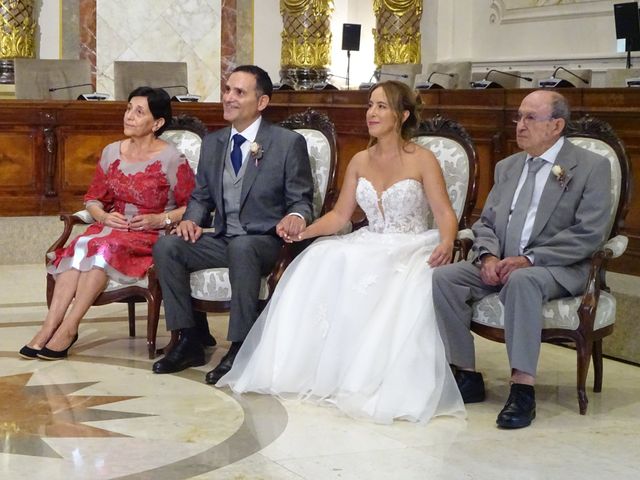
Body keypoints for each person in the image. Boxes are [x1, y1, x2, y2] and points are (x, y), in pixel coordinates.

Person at [216, 80, 466, 424]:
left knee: (378, 273)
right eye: (370, 106)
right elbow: (339, 216)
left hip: (410, 244)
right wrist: (304, 231)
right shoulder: (361, 160)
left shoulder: (422, 159)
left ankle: (374, 374)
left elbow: (444, 213)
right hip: (372, 238)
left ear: (403, 114)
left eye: (381, 106)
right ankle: (317, 368)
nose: (372, 113)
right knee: (322, 256)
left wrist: (447, 242)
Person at [432, 90, 612, 429]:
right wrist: (487, 255)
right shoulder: (508, 167)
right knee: (444, 278)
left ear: (557, 125)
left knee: (522, 279)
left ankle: (522, 388)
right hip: (502, 261)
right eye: (519, 117)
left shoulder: (590, 167)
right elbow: (485, 222)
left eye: (531, 117)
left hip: (558, 268)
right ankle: (466, 374)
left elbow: (589, 233)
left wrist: (529, 260)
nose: (520, 125)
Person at [151, 65, 315, 381]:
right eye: (227, 90)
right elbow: (200, 197)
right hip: (225, 238)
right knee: (168, 245)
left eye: (239, 92)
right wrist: (192, 221)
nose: (229, 97)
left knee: (243, 247)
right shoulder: (213, 143)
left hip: (265, 241)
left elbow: (301, 200)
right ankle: (188, 339)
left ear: (262, 102)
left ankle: (241, 346)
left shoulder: (286, 143)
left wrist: (296, 217)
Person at [19, 86, 196, 360]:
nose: (129, 117)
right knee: (82, 244)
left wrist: (159, 218)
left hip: (150, 234)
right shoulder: (112, 151)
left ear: (157, 123)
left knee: (100, 246)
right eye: (128, 109)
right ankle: (49, 327)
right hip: (110, 230)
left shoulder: (171, 157)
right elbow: (93, 199)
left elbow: (192, 205)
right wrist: (102, 216)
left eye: (139, 112)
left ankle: (69, 327)